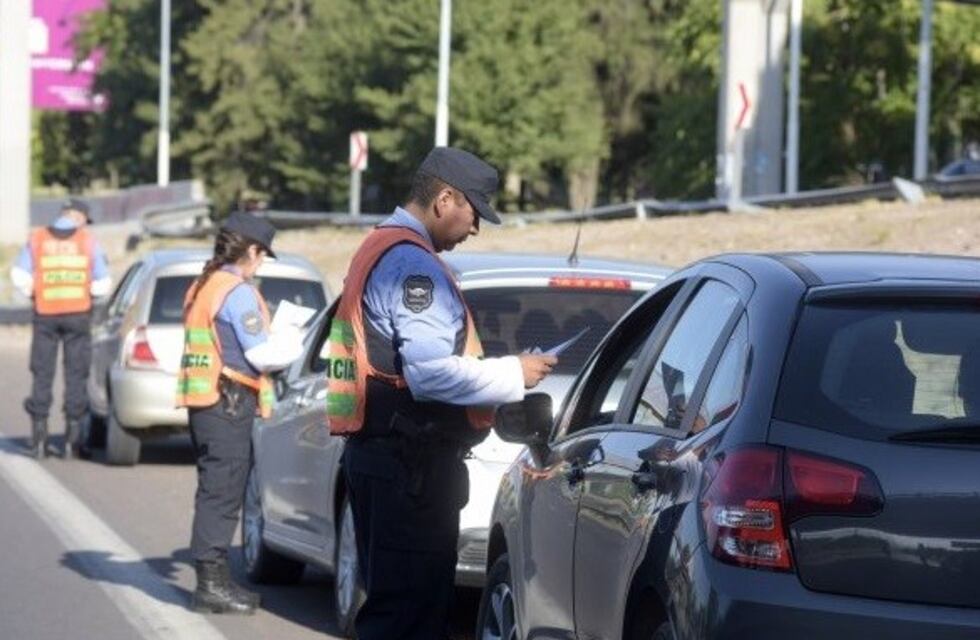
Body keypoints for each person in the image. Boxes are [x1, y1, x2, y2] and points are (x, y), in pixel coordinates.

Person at [326, 147, 557, 639]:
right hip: (409, 465)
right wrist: (514, 373)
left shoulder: (380, 246)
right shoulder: (415, 265)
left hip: (387, 458)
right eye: (473, 212)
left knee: (396, 610)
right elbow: (429, 375)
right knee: (407, 619)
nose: (474, 228)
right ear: (444, 198)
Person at [176, 211, 304, 614]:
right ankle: (210, 586)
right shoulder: (238, 291)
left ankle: (214, 580)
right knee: (223, 491)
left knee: (215, 488)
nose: (262, 262)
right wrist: (293, 342)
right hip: (228, 402)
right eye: (263, 255)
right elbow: (260, 355)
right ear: (251, 250)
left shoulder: (205, 284)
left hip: (206, 402)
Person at [10, 198, 111, 459]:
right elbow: (103, 283)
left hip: (45, 314)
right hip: (78, 315)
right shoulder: (87, 241)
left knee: (42, 374)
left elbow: (18, 275)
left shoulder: (38, 238)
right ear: (77, 216)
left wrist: (33, 291)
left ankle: (39, 440)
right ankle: (72, 443)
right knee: (76, 375)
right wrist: (88, 292)